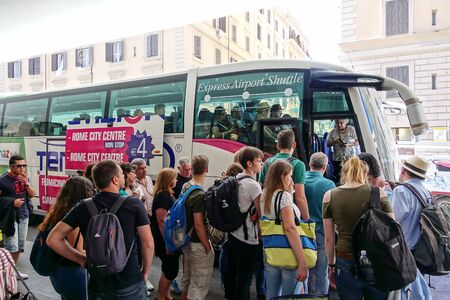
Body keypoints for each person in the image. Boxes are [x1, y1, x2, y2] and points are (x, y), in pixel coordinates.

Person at [47, 160, 154, 299]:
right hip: (129, 281)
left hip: (98, 284)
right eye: (122, 174)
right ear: (115, 179)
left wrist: (81, 259)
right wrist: (145, 272)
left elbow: (53, 239)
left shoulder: (83, 206)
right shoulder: (133, 204)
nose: (124, 176)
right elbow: (148, 243)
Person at [323, 156, 393, 299]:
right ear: (365, 174)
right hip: (376, 261)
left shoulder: (329, 196)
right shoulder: (378, 193)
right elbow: (393, 227)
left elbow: (329, 239)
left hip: (345, 261)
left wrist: (331, 266)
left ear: (344, 173)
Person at [39, 176, 94, 300]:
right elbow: (78, 250)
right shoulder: (74, 218)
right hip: (72, 272)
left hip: (58, 270)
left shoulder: (59, 211)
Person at [261, 160, 309, 299]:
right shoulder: (284, 196)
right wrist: (302, 262)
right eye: (290, 176)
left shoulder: (265, 194)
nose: (292, 180)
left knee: (272, 294)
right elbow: (289, 228)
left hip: (271, 251)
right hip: (289, 253)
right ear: (283, 176)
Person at [224, 146, 263, 300]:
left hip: (234, 233)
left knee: (235, 276)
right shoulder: (253, 185)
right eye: (259, 161)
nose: (261, 164)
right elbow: (263, 213)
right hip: (248, 238)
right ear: (249, 163)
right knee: (245, 281)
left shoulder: (237, 178)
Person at [391, 156, 432, 299]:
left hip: (403, 249)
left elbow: (393, 220)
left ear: (404, 171)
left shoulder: (401, 191)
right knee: (417, 289)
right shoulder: (426, 191)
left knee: (403, 292)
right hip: (420, 248)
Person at [181, 155, 214, 300]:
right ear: (206, 169)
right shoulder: (199, 194)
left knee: (187, 277)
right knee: (199, 283)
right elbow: (199, 224)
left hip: (185, 240)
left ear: (192, 169)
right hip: (197, 242)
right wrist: (207, 245)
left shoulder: (186, 187)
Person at [259, 130, 310, 220]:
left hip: (268, 213)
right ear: (294, 145)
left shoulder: (267, 162)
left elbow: (260, 190)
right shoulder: (298, 165)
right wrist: (307, 221)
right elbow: (300, 197)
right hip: (287, 213)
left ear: (277, 145)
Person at [304, 152, 335, 295]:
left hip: (302, 232)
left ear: (310, 165)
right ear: (324, 167)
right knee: (321, 271)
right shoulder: (328, 184)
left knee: (305, 268)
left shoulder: (299, 180)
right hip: (321, 232)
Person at [0, 154, 35, 279]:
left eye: (24, 165)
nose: (22, 168)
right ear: (11, 166)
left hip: (24, 216)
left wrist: (26, 183)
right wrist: (11, 202)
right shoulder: (2, 180)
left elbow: (31, 194)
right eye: (19, 166)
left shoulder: (24, 178)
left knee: (19, 246)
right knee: (11, 247)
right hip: (10, 218)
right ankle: (7, 273)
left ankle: (13, 271)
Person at [151, 168, 181, 300]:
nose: (177, 180)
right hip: (165, 240)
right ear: (168, 180)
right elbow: (161, 221)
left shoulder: (167, 194)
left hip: (168, 238)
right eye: (174, 177)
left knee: (168, 268)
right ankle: (159, 297)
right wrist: (168, 244)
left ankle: (166, 295)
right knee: (171, 269)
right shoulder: (163, 196)